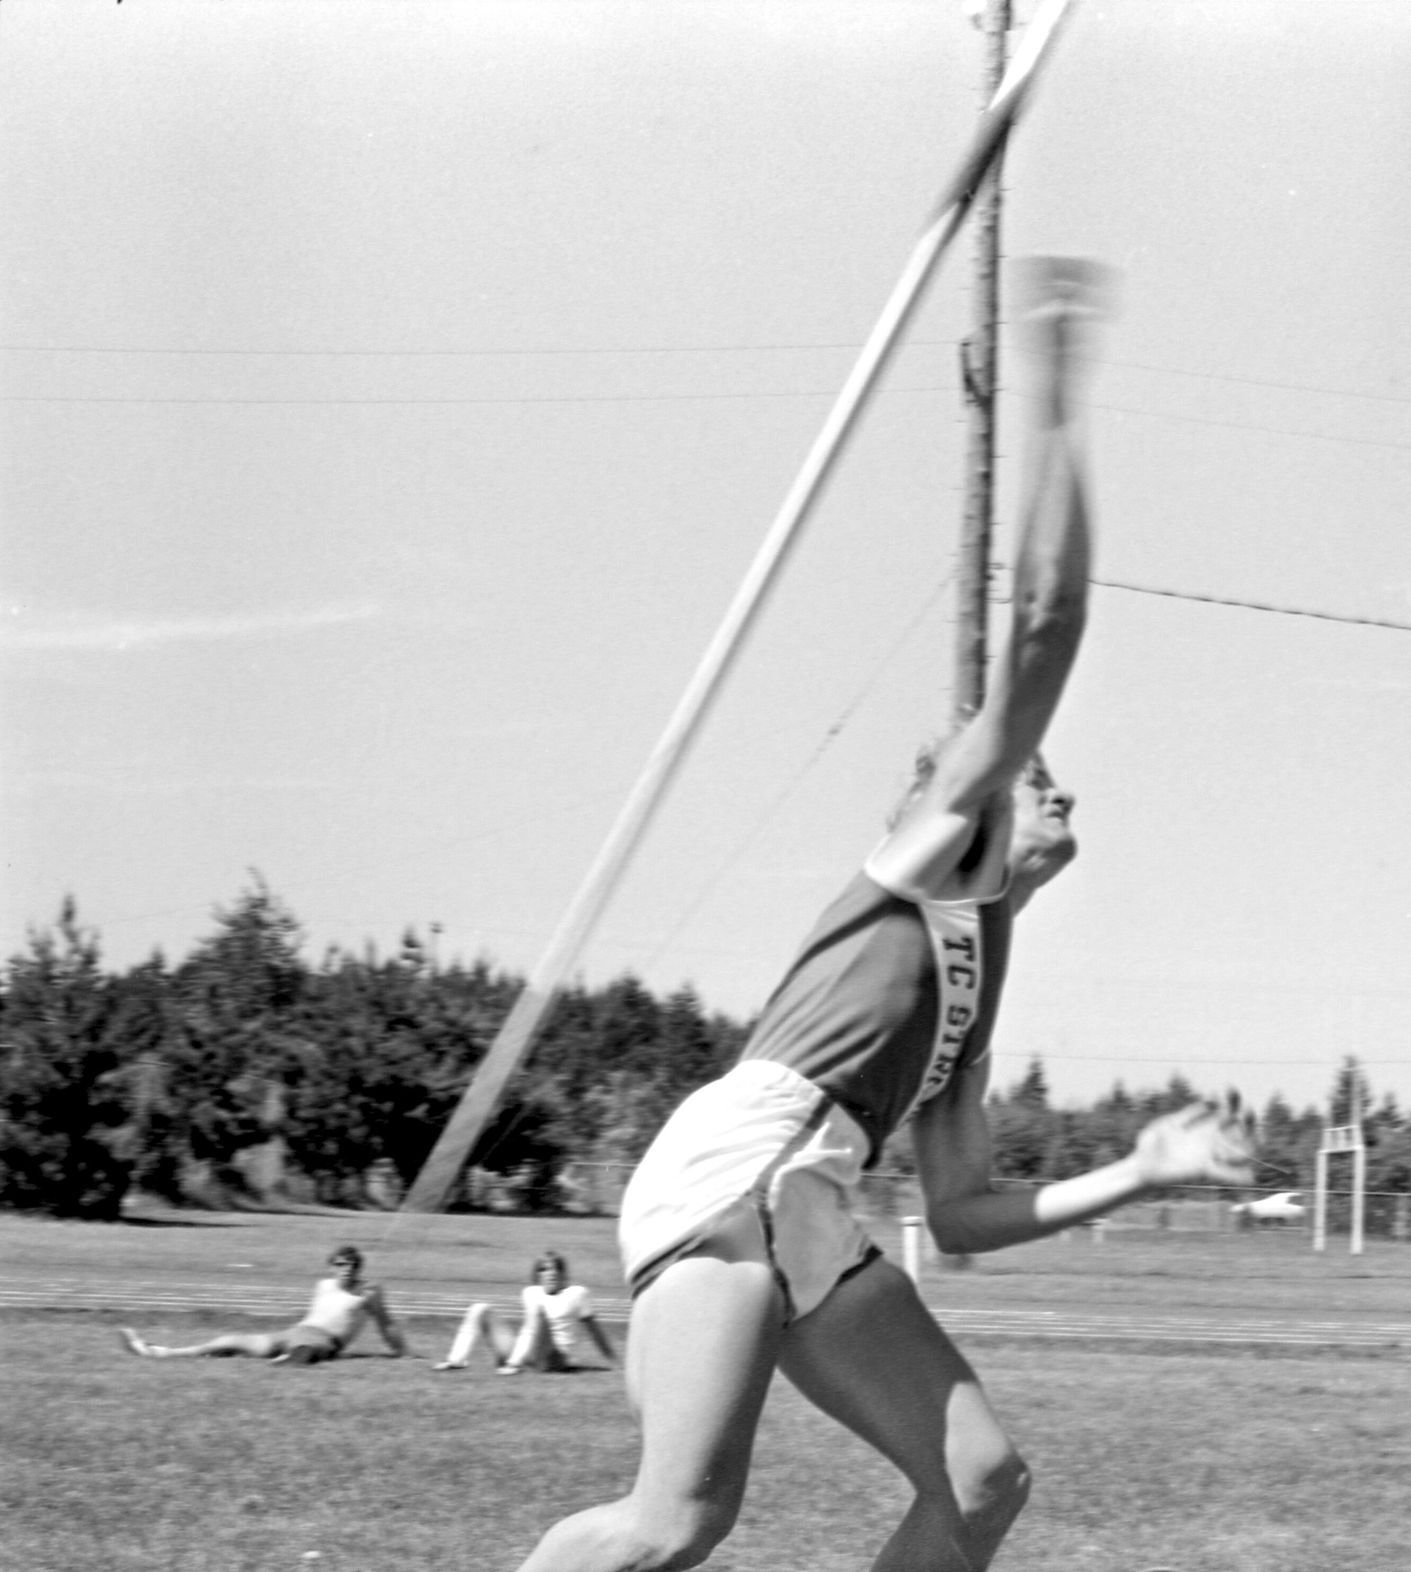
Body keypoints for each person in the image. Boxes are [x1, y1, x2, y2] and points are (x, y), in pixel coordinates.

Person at [511, 257, 1255, 1572]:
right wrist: (1057, 407)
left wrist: (1140, 1173)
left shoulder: (980, 964)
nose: (1057, 786)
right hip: (734, 1172)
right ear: (969, 802)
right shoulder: (923, 867)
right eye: (1033, 777)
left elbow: (961, 1214)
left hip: (810, 1199)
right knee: (676, 1522)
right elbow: (1046, 624)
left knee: (981, 1481)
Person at [118, 1244, 410, 1365]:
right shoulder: (323, 1285)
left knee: (308, 1349)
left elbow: (386, 1323)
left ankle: (291, 1359)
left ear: (359, 1267)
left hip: (325, 1340)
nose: (347, 1269)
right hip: (296, 1331)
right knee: (230, 1341)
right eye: (341, 1264)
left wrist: (400, 1351)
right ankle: (162, 1352)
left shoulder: (368, 1293)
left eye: (353, 1265)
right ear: (332, 1266)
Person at [434, 1251, 619, 1375]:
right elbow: (528, 1330)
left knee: (538, 1312)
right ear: (538, 1275)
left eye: (556, 1268)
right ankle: (456, 1360)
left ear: (564, 1274)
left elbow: (595, 1331)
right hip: (528, 1354)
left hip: (555, 1357)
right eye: (544, 1269)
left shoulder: (578, 1293)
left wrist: (612, 1359)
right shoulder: (531, 1292)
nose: (551, 1273)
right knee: (480, 1308)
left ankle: (514, 1364)